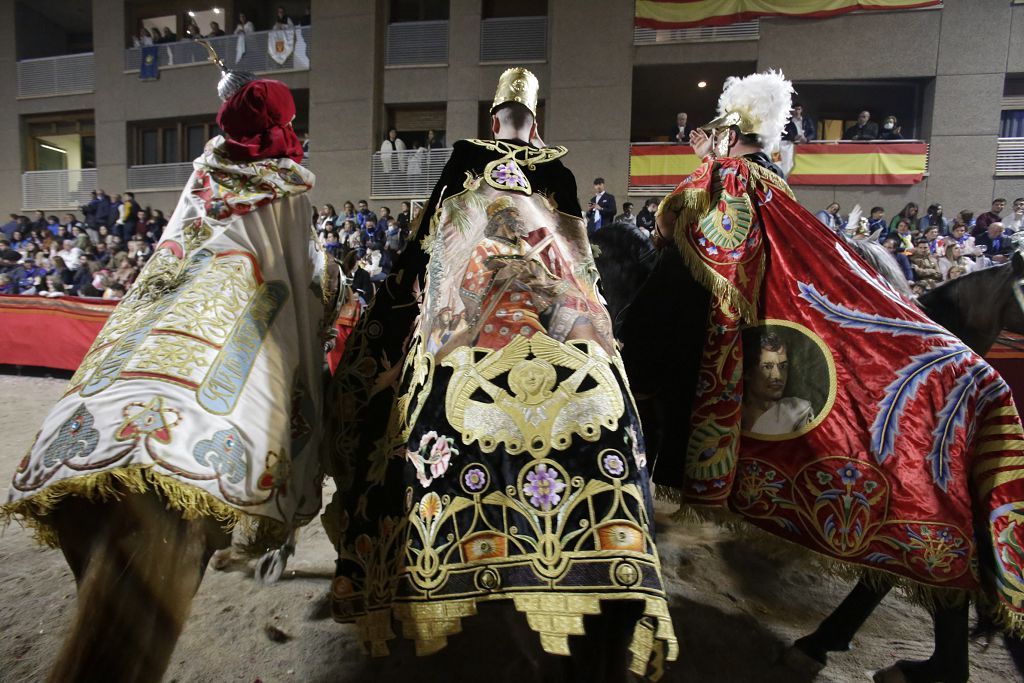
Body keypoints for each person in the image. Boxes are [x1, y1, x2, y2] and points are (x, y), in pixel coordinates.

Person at [621, 71, 1024, 681]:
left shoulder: (719, 189)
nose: (703, 146)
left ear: (728, 133)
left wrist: (631, 360)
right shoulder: (783, 200)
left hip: (739, 397)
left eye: (711, 133)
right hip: (896, 369)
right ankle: (941, 662)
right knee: (926, 497)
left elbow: (673, 294)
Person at [323, 66, 678, 679]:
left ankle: (382, 542)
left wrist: (395, 310)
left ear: (494, 118)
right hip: (549, 304)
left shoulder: (464, 156)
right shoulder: (559, 173)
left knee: (392, 387)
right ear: (536, 124)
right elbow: (580, 263)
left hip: (472, 299)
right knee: (608, 365)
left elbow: (425, 244)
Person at [4, 63, 344, 683]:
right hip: (247, 293)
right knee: (295, 370)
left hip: (178, 286)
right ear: (284, 125)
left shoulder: (205, 169)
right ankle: (283, 503)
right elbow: (299, 273)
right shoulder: (289, 184)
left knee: (142, 311)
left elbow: (177, 242)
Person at [741, 329, 813, 434]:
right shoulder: (729, 413)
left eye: (783, 366)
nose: (778, 376)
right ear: (747, 373)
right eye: (767, 367)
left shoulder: (798, 412)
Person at [780, 103, 815, 176]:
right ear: (792, 110)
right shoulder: (787, 122)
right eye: (795, 109)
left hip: (805, 145)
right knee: (789, 163)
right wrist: (793, 138)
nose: (797, 111)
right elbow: (783, 135)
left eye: (799, 109)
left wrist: (807, 139)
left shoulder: (807, 120)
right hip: (792, 145)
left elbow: (813, 132)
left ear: (801, 110)